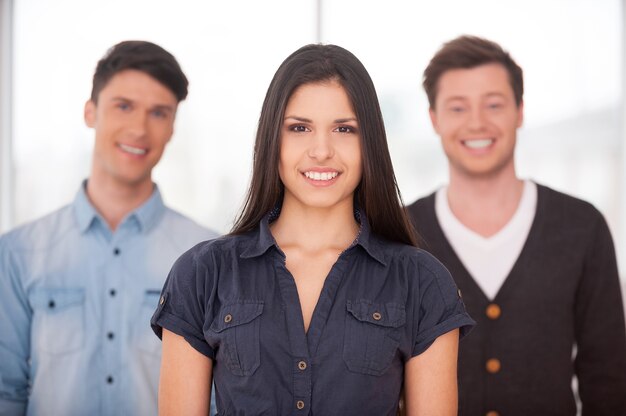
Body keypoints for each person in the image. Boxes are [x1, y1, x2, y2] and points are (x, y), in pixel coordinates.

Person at [150, 43, 474, 415]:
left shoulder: (422, 283)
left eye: (344, 129)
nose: (321, 150)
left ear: (369, 143)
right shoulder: (202, 274)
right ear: (272, 139)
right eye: (300, 128)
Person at [407, 35, 626, 415]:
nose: (477, 122)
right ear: (434, 119)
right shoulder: (401, 231)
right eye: (458, 107)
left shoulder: (581, 226)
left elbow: (608, 379)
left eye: (494, 104)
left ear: (520, 111)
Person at [0, 40, 219, 415]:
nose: (138, 128)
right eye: (124, 106)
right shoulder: (18, 254)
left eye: (159, 113)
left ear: (172, 129)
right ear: (90, 112)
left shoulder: (207, 258)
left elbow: (218, 401)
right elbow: (7, 393)